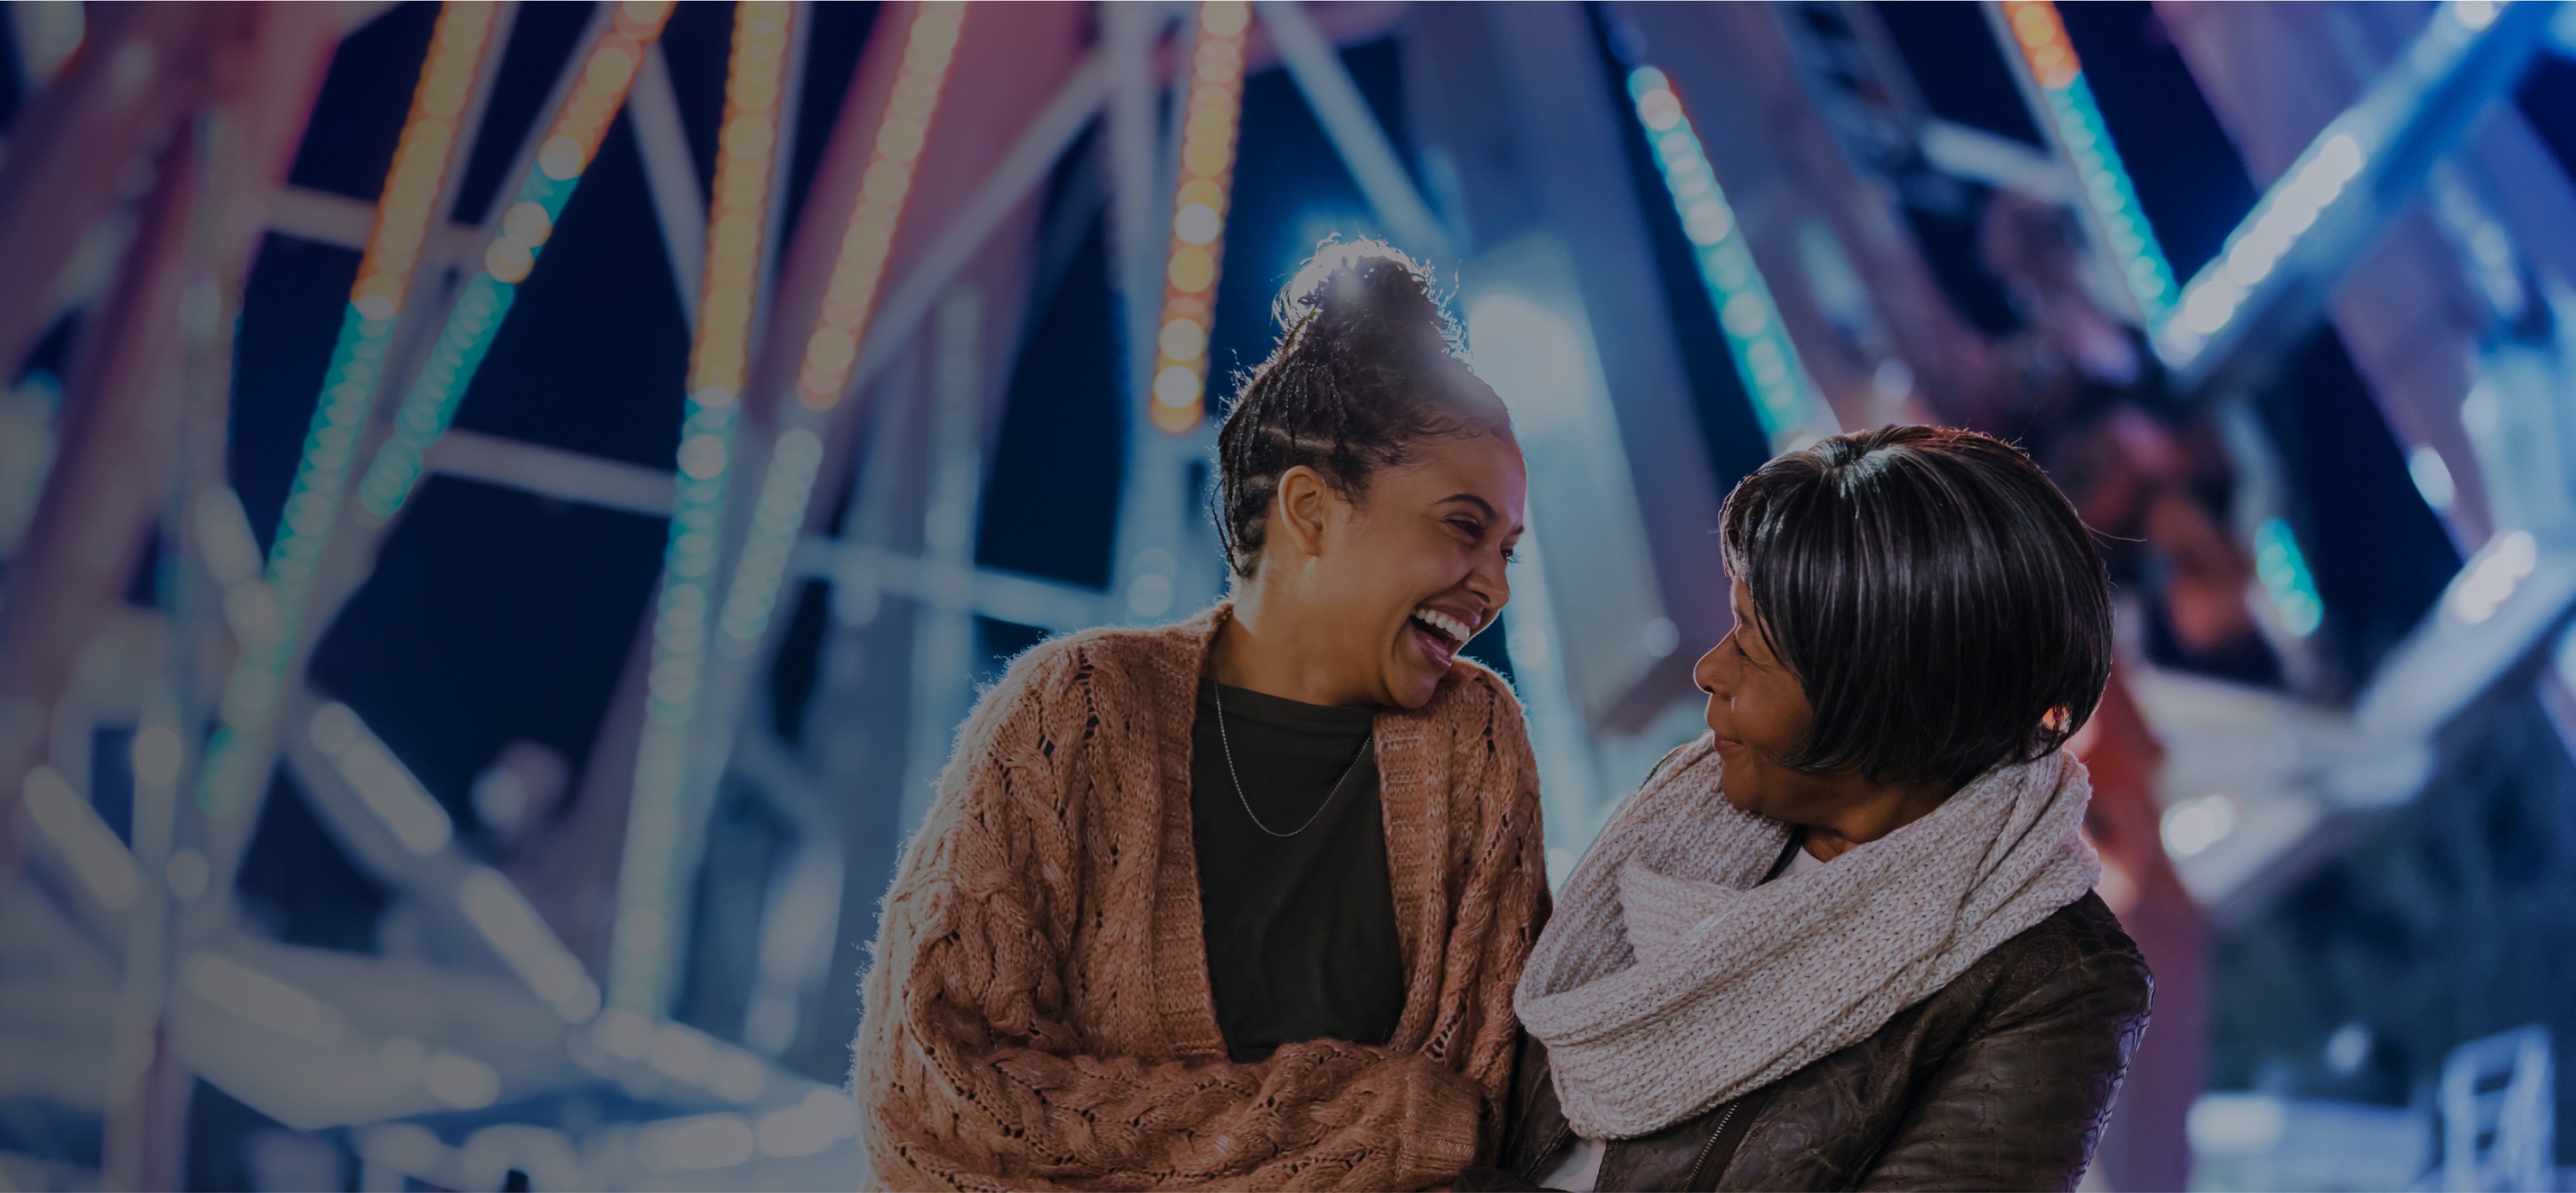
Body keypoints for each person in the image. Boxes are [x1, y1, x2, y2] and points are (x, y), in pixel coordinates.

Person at [856, 240, 1549, 1191]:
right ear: (1309, 510)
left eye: (1509, 548)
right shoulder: (1077, 712)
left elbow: (1488, 1110)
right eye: (1463, 527)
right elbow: (936, 1092)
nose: (1495, 587)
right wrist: (1381, 1117)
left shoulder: (1475, 741)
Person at [1466, 426, 2152, 1192]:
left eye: (1751, 644)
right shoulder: (1678, 818)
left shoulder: (2050, 978)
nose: (1707, 669)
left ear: (1884, 702)